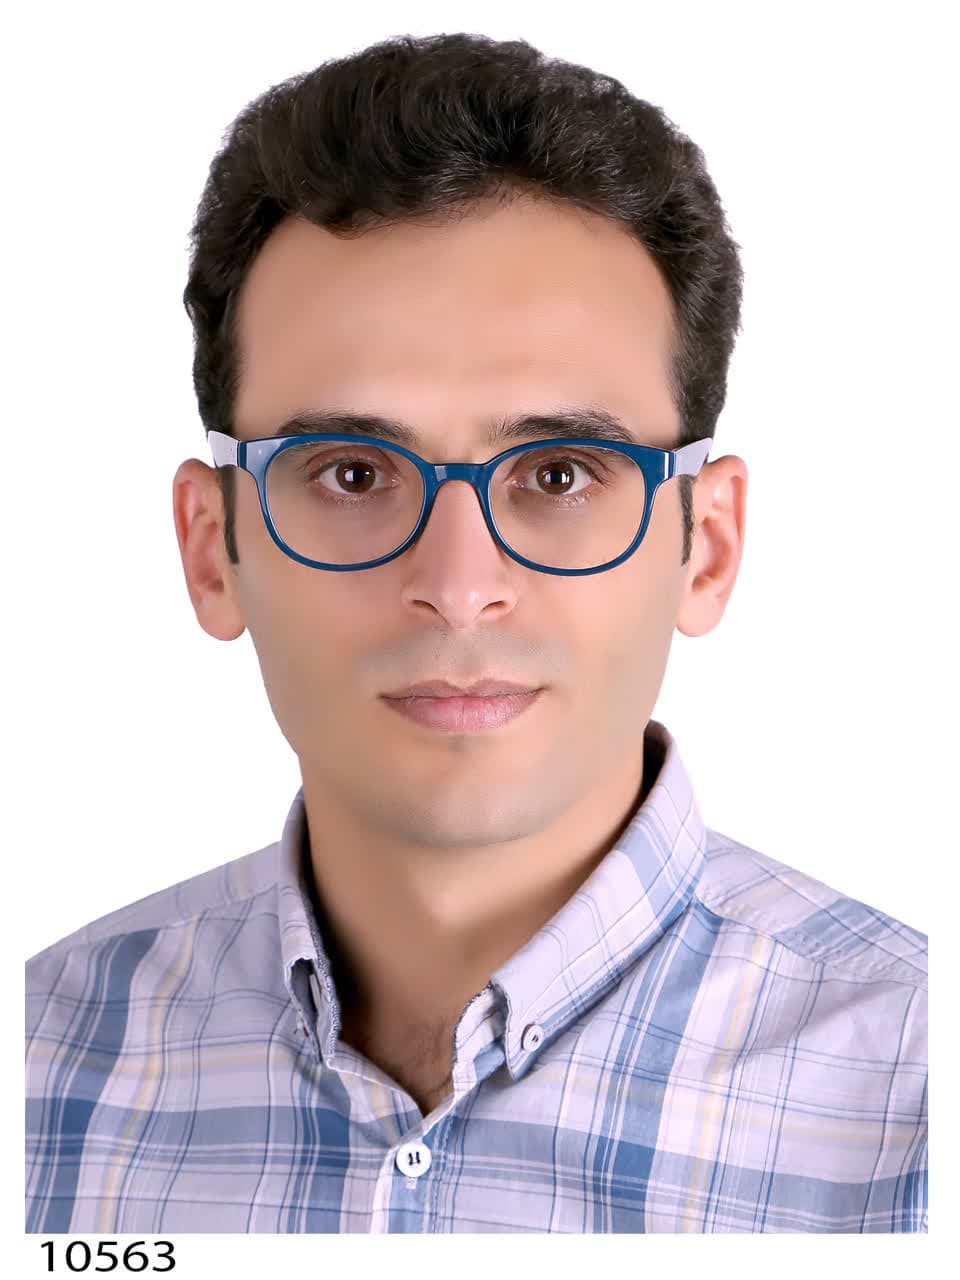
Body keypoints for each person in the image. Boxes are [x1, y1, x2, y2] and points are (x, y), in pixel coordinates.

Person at [25, 31, 927, 1234]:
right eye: (351, 472)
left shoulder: (921, 1099)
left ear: (705, 545)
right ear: (210, 547)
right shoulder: (38, 1064)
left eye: (559, 473)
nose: (459, 586)